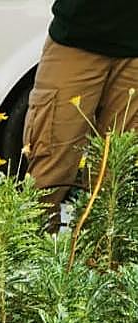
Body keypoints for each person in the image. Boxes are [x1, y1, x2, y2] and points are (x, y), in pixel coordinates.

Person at [23, 0, 138, 216]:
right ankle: (39, 248)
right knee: (47, 177)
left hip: (134, 54)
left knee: (115, 185)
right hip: (75, 39)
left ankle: (103, 249)